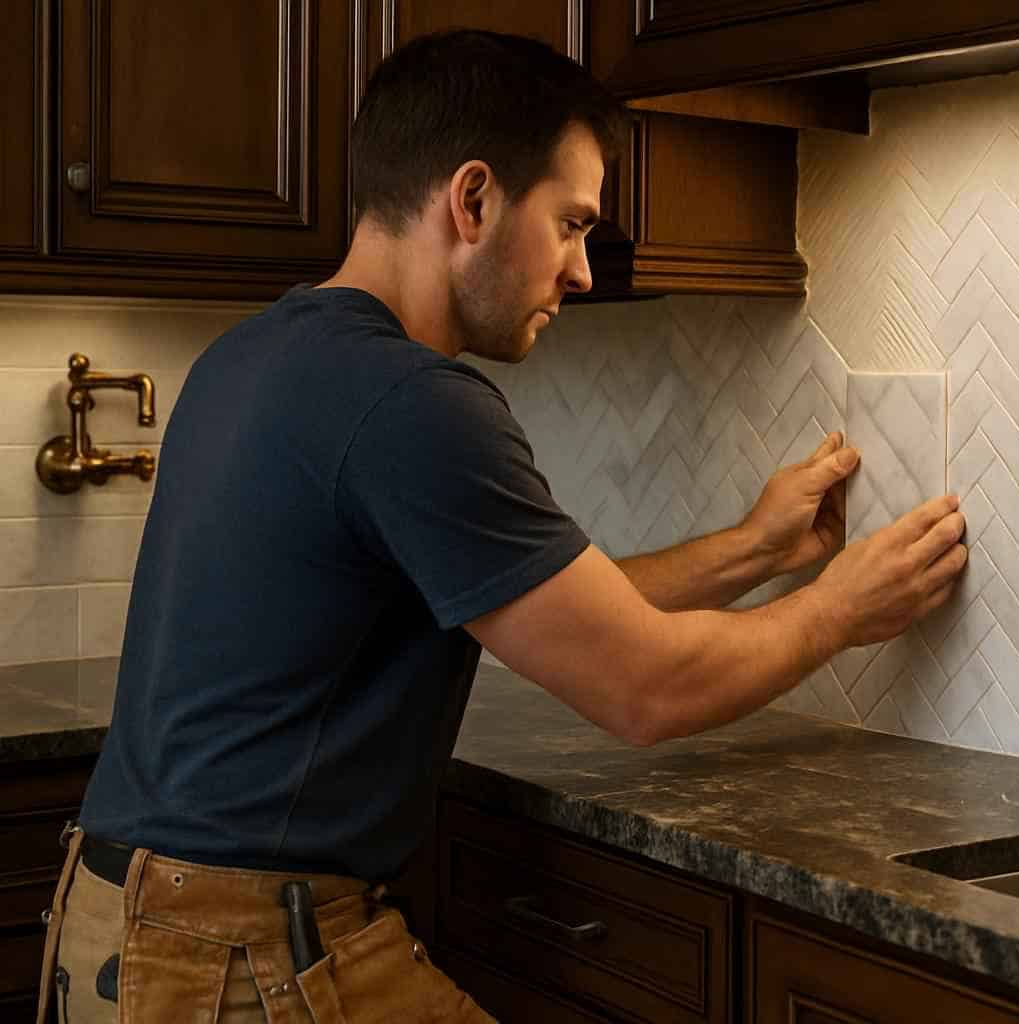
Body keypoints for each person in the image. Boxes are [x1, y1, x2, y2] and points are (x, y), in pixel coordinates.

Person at [38, 29, 968, 1024]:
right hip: (234, 956)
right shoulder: (410, 401)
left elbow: (549, 611)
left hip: (118, 931)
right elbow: (643, 686)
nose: (581, 271)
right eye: (570, 223)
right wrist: (842, 608)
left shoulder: (259, 354)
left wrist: (759, 548)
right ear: (472, 200)